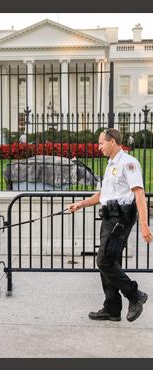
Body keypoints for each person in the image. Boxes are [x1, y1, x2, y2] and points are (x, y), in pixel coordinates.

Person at [68, 128, 153, 322]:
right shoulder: (111, 165)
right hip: (109, 218)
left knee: (104, 261)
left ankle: (135, 295)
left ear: (112, 141)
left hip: (120, 219)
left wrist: (144, 224)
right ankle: (112, 308)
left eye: (101, 143)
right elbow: (103, 195)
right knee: (109, 262)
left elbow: (139, 194)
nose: (99, 148)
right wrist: (81, 204)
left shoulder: (128, 163)